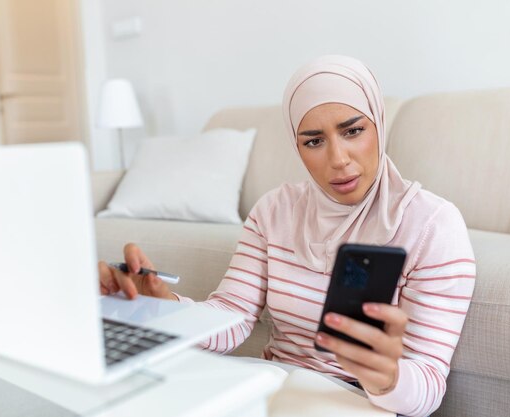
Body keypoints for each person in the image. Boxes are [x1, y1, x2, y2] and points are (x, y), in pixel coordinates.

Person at [98, 55, 476, 417]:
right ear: (297, 145)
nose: (339, 158)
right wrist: (164, 308)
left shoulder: (433, 225)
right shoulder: (274, 211)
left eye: (353, 131)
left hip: (363, 402)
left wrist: (386, 376)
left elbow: (427, 387)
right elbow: (232, 318)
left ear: (378, 123)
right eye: (314, 141)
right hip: (273, 386)